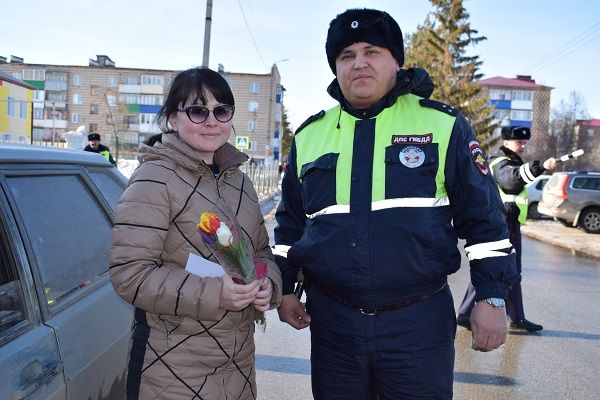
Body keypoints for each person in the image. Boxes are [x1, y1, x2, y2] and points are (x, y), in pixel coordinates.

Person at [272, 8, 517, 399]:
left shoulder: (442, 125)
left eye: (372, 51)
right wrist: (284, 286)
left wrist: (492, 295)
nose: (360, 63)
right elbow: (289, 227)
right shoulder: (310, 136)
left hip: (417, 323)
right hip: (334, 326)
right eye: (347, 55)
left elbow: (484, 221)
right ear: (336, 67)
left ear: (396, 60)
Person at [109, 67, 282, 400]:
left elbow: (261, 253)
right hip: (172, 365)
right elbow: (130, 275)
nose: (212, 121)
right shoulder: (154, 178)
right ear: (174, 119)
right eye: (198, 111)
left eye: (221, 111)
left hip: (238, 364)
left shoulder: (240, 182)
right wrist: (215, 293)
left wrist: (267, 286)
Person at [457, 126, 557, 332]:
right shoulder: (499, 160)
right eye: (519, 142)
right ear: (506, 142)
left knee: (504, 270)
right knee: (498, 268)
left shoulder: (509, 161)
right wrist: (541, 166)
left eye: (524, 143)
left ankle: (509, 316)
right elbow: (511, 181)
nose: (522, 146)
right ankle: (477, 313)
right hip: (502, 223)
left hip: (508, 221)